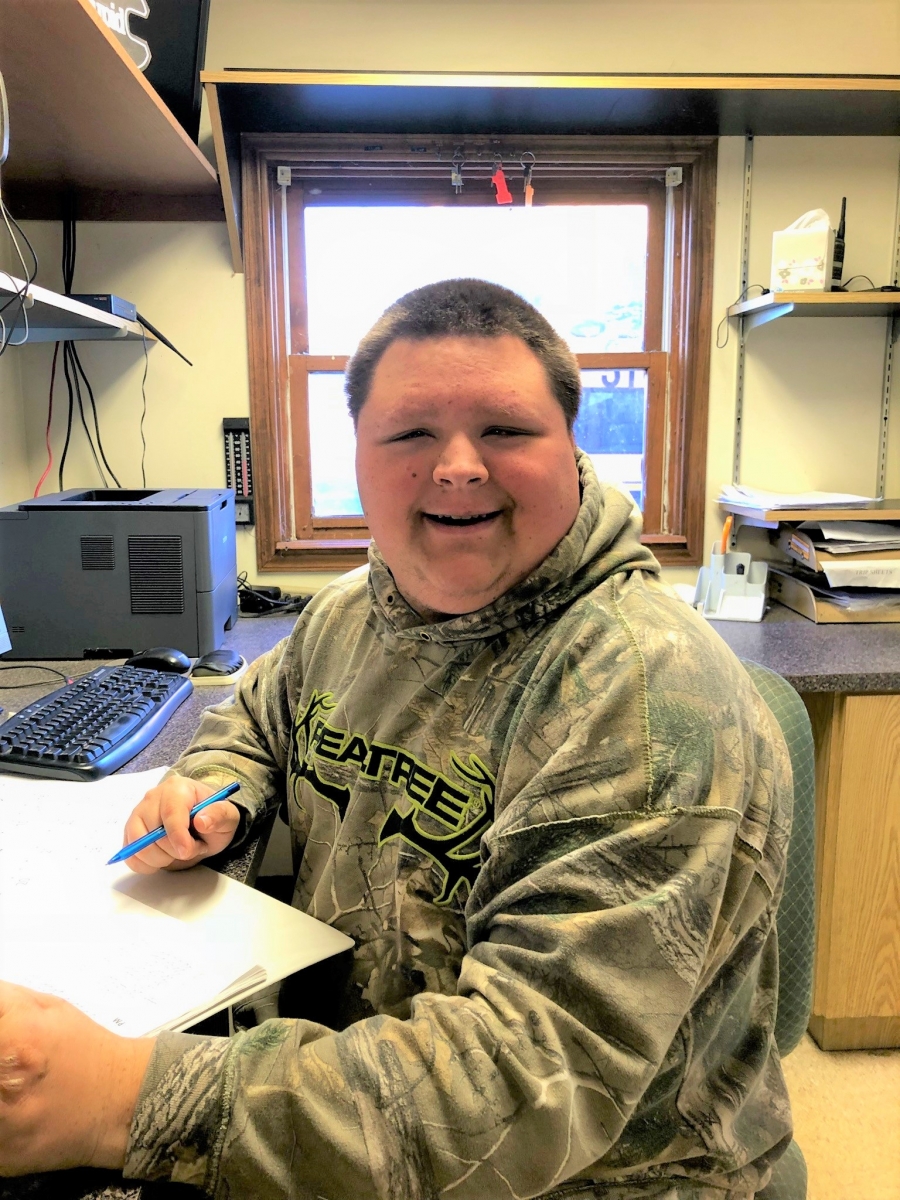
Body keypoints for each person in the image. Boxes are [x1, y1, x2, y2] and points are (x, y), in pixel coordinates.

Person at [0, 280, 792, 1199]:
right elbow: (258, 719)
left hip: (605, 1176)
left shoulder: (645, 697)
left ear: (570, 449)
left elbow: (522, 1088)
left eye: (505, 429)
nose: (457, 466)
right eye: (410, 434)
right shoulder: (356, 610)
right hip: (362, 1098)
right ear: (361, 460)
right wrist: (217, 785)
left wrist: (120, 1101)